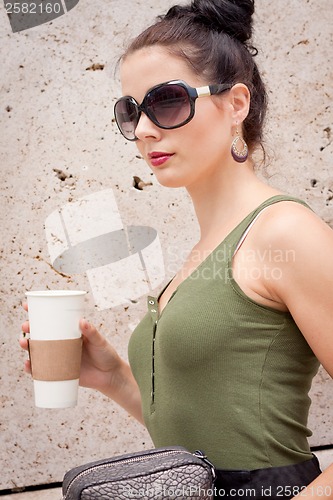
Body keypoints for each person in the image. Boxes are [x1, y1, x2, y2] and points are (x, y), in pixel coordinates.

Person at [21, 0, 333, 498]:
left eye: (166, 101)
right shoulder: (205, 250)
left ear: (236, 104)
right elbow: (205, 438)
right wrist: (111, 377)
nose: (144, 130)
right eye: (130, 111)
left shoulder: (284, 232)